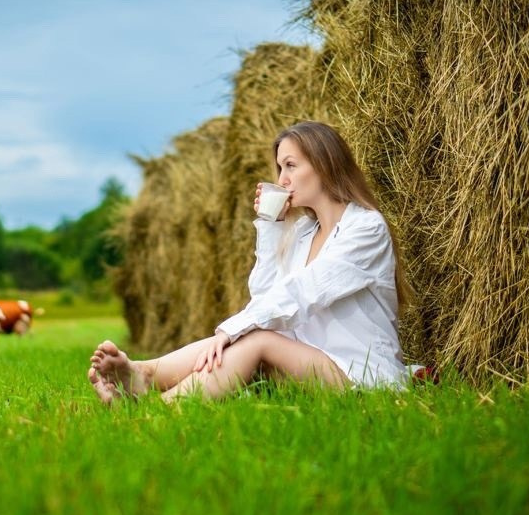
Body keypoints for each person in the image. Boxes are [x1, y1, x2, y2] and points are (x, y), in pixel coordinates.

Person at [88, 120, 412, 404]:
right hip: (312, 363)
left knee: (255, 337)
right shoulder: (302, 233)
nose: (282, 179)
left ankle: (161, 406)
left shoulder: (366, 228)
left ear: (325, 164)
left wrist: (230, 330)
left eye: (290, 165)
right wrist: (271, 225)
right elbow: (265, 297)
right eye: (280, 168)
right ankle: (143, 374)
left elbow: (302, 293)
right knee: (251, 334)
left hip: (363, 373)